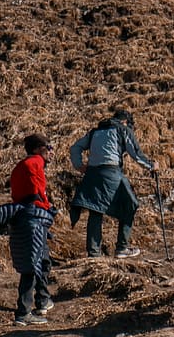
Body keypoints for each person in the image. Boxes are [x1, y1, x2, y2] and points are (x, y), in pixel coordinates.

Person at [69, 110, 158, 258]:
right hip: (112, 172)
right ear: (125, 122)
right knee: (130, 204)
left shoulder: (95, 131)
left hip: (92, 175)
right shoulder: (123, 129)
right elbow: (135, 153)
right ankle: (122, 248)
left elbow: (75, 147)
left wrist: (79, 165)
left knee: (96, 210)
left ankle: (94, 254)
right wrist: (151, 166)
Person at [0, 134, 56, 326]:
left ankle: (43, 301)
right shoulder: (34, 164)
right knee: (33, 264)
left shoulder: (19, 167)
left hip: (23, 218)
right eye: (50, 147)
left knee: (43, 260)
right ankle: (23, 313)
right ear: (39, 148)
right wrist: (46, 207)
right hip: (33, 220)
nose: (52, 152)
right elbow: (37, 193)